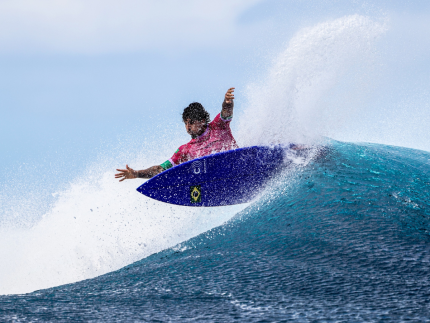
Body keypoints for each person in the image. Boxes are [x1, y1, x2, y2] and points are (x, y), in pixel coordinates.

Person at [115, 87, 238, 182]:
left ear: (202, 121)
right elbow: (160, 169)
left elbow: (226, 112)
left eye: (191, 123)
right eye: (185, 123)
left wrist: (227, 101)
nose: (188, 127)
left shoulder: (218, 126)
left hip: (236, 166)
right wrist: (137, 174)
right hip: (218, 179)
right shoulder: (185, 150)